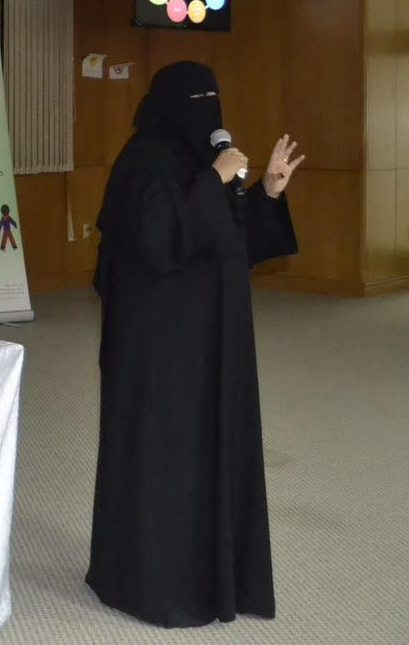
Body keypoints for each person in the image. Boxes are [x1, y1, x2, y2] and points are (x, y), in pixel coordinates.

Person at [87, 61, 303, 628]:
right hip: (159, 352)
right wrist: (212, 178)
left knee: (215, 450)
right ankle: (152, 583)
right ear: (168, 104)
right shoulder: (142, 160)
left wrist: (266, 192)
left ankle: (215, 576)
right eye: (197, 99)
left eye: (215, 97)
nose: (209, 111)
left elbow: (230, 240)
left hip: (214, 342)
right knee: (166, 458)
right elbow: (159, 237)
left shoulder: (207, 160)